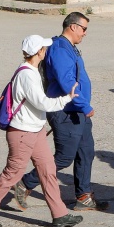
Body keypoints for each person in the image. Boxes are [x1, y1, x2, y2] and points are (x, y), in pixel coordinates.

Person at [0, 35, 83, 227]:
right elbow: (42, 103)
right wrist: (66, 98)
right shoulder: (27, 75)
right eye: (44, 48)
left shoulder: (31, 71)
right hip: (23, 132)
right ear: (39, 51)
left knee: (48, 171)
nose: (46, 51)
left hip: (35, 130)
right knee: (13, 173)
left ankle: (60, 215)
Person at [19, 12, 105, 211]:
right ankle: (24, 183)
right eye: (84, 29)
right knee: (65, 156)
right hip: (65, 110)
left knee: (86, 152)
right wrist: (85, 105)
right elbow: (67, 81)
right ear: (73, 26)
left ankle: (83, 196)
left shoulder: (69, 47)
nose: (85, 33)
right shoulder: (59, 49)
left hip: (77, 110)